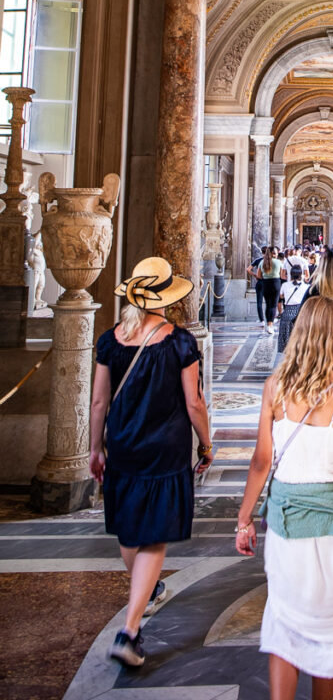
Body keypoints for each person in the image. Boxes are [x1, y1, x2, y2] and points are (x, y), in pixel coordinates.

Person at [235, 296, 333, 700]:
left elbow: (261, 462)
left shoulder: (275, 388)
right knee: (327, 634)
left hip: (284, 527)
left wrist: (244, 519)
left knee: (284, 625)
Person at [89, 256, 213, 668]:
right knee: (153, 537)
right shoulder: (179, 342)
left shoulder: (110, 340)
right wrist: (206, 443)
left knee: (128, 529)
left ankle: (148, 588)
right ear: (166, 299)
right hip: (166, 448)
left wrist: (94, 448)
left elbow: (98, 400)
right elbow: (194, 401)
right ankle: (130, 629)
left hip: (123, 446)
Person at [277, 264, 310, 354]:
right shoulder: (306, 287)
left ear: (290, 274)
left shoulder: (285, 285)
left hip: (287, 313)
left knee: (287, 340)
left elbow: (281, 296)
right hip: (301, 314)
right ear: (301, 275)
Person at [255, 246, 284, 335]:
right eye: (275, 252)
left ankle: (268, 324)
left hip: (265, 283)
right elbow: (282, 275)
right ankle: (270, 325)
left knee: (268, 304)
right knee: (273, 305)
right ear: (272, 253)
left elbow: (258, 276)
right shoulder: (278, 262)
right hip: (276, 283)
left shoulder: (262, 262)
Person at [247, 245, 265, 325]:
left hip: (260, 282)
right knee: (270, 302)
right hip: (269, 283)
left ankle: (262, 320)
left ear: (262, 252)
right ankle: (270, 320)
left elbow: (248, 269)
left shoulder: (258, 260)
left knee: (259, 302)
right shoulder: (271, 261)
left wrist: (255, 275)